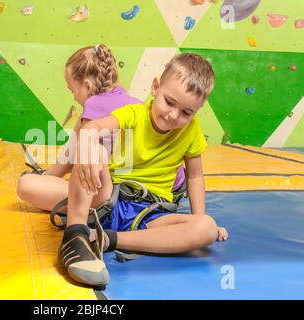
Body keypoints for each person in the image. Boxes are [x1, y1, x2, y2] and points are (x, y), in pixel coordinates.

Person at [58, 52, 229, 287]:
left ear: (197, 111)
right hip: (111, 199)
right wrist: (87, 140)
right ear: (156, 87)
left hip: (151, 212)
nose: (173, 115)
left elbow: (195, 175)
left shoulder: (191, 131)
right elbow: (95, 127)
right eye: (169, 102)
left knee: (206, 228)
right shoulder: (134, 113)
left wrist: (198, 217)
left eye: (187, 113)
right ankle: (75, 233)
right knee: (93, 149)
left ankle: (107, 238)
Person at [17, 44, 141, 211]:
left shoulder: (94, 105)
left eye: (72, 91)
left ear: (87, 86)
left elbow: (77, 157)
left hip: (113, 196)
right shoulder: (131, 101)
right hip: (142, 190)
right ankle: (50, 176)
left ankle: (50, 177)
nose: (74, 97)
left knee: (25, 184)